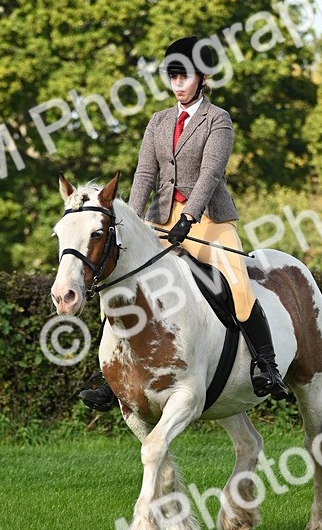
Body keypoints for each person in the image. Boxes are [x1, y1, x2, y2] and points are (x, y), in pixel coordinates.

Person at [80, 35, 288, 411]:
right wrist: (132, 220)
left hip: (208, 221)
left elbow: (210, 173)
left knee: (238, 284)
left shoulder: (218, 120)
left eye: (185, 77)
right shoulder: (158, 121)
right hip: (161, 221)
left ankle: (266, 366)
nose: (177, 85)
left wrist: (189, 216)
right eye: (173, 77)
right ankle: (113, 377)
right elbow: (145, 173)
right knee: (122, 279)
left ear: (203, 77)